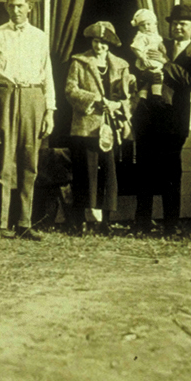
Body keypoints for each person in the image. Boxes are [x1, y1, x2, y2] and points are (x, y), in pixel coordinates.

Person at [0, 0, 56, 241]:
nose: (16, 10)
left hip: (33, 97)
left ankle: (24, 222)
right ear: (6, 7)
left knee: (29, 162)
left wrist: (50, 111)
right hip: (4, 96)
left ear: (30, 7)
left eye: (20, 6)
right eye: (12, 6)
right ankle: (0, 223)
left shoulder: (40, 37)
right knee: (4, 163)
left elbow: (48, 75)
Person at [133, 4, 191, 235]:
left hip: (173, 123)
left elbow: (187, 82)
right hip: (148, 118)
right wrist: (146, 68)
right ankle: (142, 221)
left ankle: (170, 224)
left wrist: (165, 62)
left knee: (170, 174)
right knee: (144, 170)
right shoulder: (156, 42)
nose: (178, 27)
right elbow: (141, 69)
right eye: (175, 23)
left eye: (184, 24)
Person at [65, 21, 134, 236]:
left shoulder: (121, 65)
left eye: (104, 43)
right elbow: (70, 89)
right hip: (86, 126)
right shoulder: (80, 62)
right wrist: (94, 100)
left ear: (110, 44)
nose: (100, 46)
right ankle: (83, 220)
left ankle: (106, 220)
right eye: (96, 41)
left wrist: (118, 106)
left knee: (109, 173)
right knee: (86, 173)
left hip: (110, 127)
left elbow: (129, 96)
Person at [128, 8, 167, 98]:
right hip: (148, 61)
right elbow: (135, 48)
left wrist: (162, 47)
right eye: (142, 25)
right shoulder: (141, 36)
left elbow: (159, 43)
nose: (146, 27)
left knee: (154, 77)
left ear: (155, 25)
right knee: (154, 77)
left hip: (155, 61)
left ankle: (150, 95)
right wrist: (142, 57)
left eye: (148, 24)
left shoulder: (155, 36)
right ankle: (154, 95)